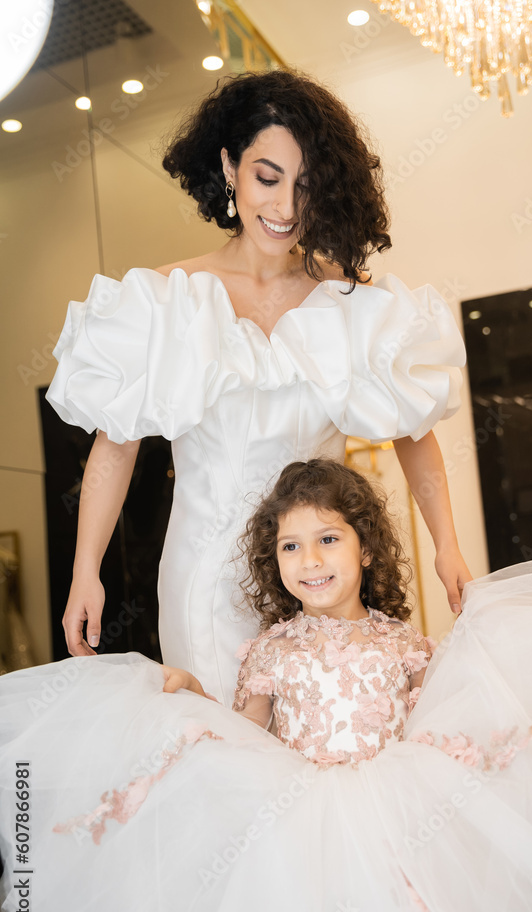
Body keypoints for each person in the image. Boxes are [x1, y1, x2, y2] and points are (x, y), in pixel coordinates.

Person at [1, 458, 532, 912]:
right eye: (290, 545)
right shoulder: (269, 650)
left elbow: (440, 719)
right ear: (275, 560)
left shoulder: (406, 645)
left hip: (399, 811)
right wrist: (191, 695)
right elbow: (243, 740)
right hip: (300, 815)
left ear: (365, 547)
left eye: (328, 538)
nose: (309, 559)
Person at [45, 66, 471, 707]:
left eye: (305, 186)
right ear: (228, 169)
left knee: (331, 751)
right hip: (207, 576)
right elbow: (118, 443)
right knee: (228, 753)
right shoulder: (168, 300)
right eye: (267, 179)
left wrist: (448, 547)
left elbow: (415, 429)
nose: (285, 208)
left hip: (324, 574)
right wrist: (86, 572)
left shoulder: (353, 302)